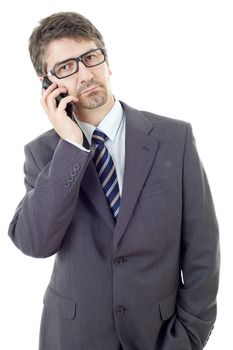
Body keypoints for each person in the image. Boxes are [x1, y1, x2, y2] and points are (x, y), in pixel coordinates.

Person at [8, 11, 220, 350]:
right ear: (48, 84)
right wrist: (71, 147)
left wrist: (187, 338)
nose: (86, 74)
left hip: (160, 336)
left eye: (91, 57)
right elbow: (35, 244)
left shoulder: (174, 138)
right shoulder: (44, 153)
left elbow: (203, 253)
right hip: (74, 339)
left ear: (107, 61)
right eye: (66, 67)